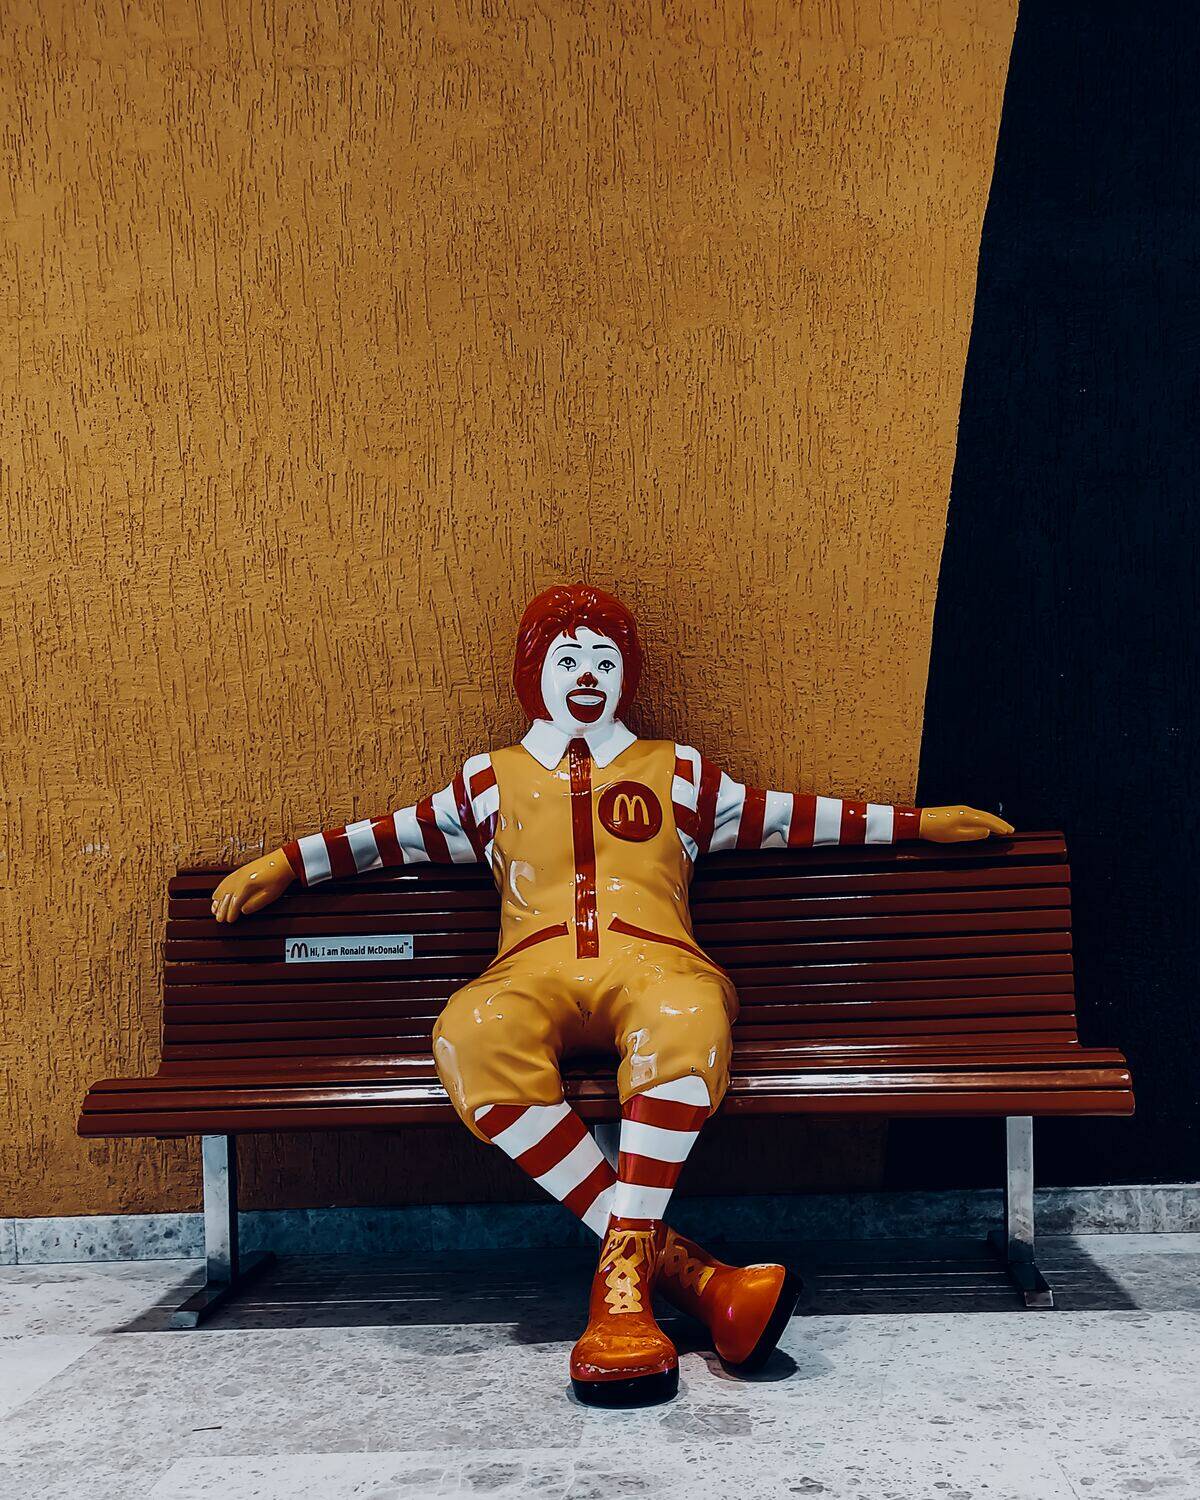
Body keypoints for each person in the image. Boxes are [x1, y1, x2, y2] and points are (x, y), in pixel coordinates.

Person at [212, 583, 1012, 1405]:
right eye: (567, 659)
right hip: (529, 972)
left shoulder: (682, 774)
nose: (588, 674)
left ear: (629, 674)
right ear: (533, 674)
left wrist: (918, 825)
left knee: (687, 1018)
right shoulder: (488, 781)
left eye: (605, 658)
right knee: (471, 1030)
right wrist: (287, 863)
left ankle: (621, 1296)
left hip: (657, 965)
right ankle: (697, 1280)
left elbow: (790, 817)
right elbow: (388, 836)